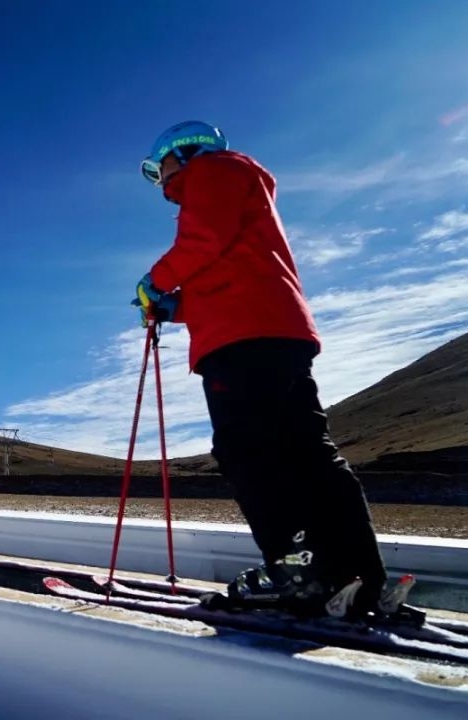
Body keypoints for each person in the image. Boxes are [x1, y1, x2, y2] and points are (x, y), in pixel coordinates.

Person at [133, 120, 391, 616]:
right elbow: (231, 271)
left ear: (183, 154)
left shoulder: (211, 174)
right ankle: (355, 571)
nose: (158, 179)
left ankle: (296, 574)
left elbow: (202, 242)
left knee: (249, 451)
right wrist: (175, 307)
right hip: (278, 332)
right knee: (307, 452)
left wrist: (154, 281)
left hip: (240, 341)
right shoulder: (239, 186)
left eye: (157, 167)